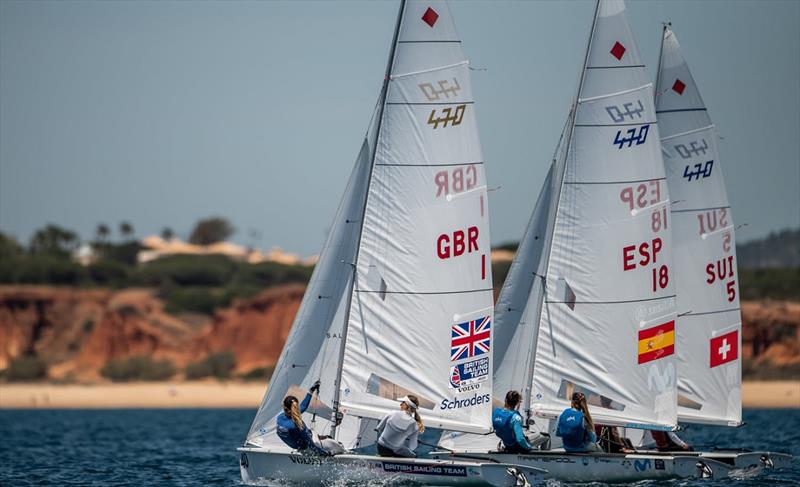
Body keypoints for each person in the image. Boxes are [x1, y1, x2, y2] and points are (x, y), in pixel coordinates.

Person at [276, 380, 345, 455]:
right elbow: (311, 444)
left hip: (301, 445)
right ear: (295, 408)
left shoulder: (279, 418)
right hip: (308, 447)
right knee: (316, 434)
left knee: (313, 434)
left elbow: (303, 407)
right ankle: (324, 439)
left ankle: (324, 438)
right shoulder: (298, 424)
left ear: (284, 406)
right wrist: (323, 453)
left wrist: (311, 391)